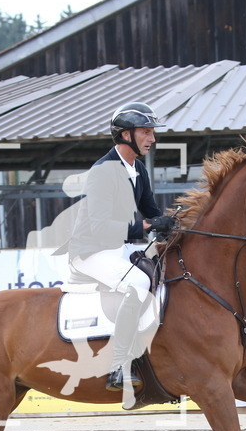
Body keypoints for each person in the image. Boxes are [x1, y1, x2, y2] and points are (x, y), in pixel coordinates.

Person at [65, 102, 176, 399]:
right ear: (126, 134)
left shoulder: (138, 168)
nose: (152, 138)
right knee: (138, 283)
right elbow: (101, 227)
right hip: (90, 251)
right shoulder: (103, 171)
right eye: (146, 132)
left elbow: (151, 212)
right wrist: (147, 226)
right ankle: (119, 365)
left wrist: (171, 223)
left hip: (118, 248)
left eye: (152, 132)